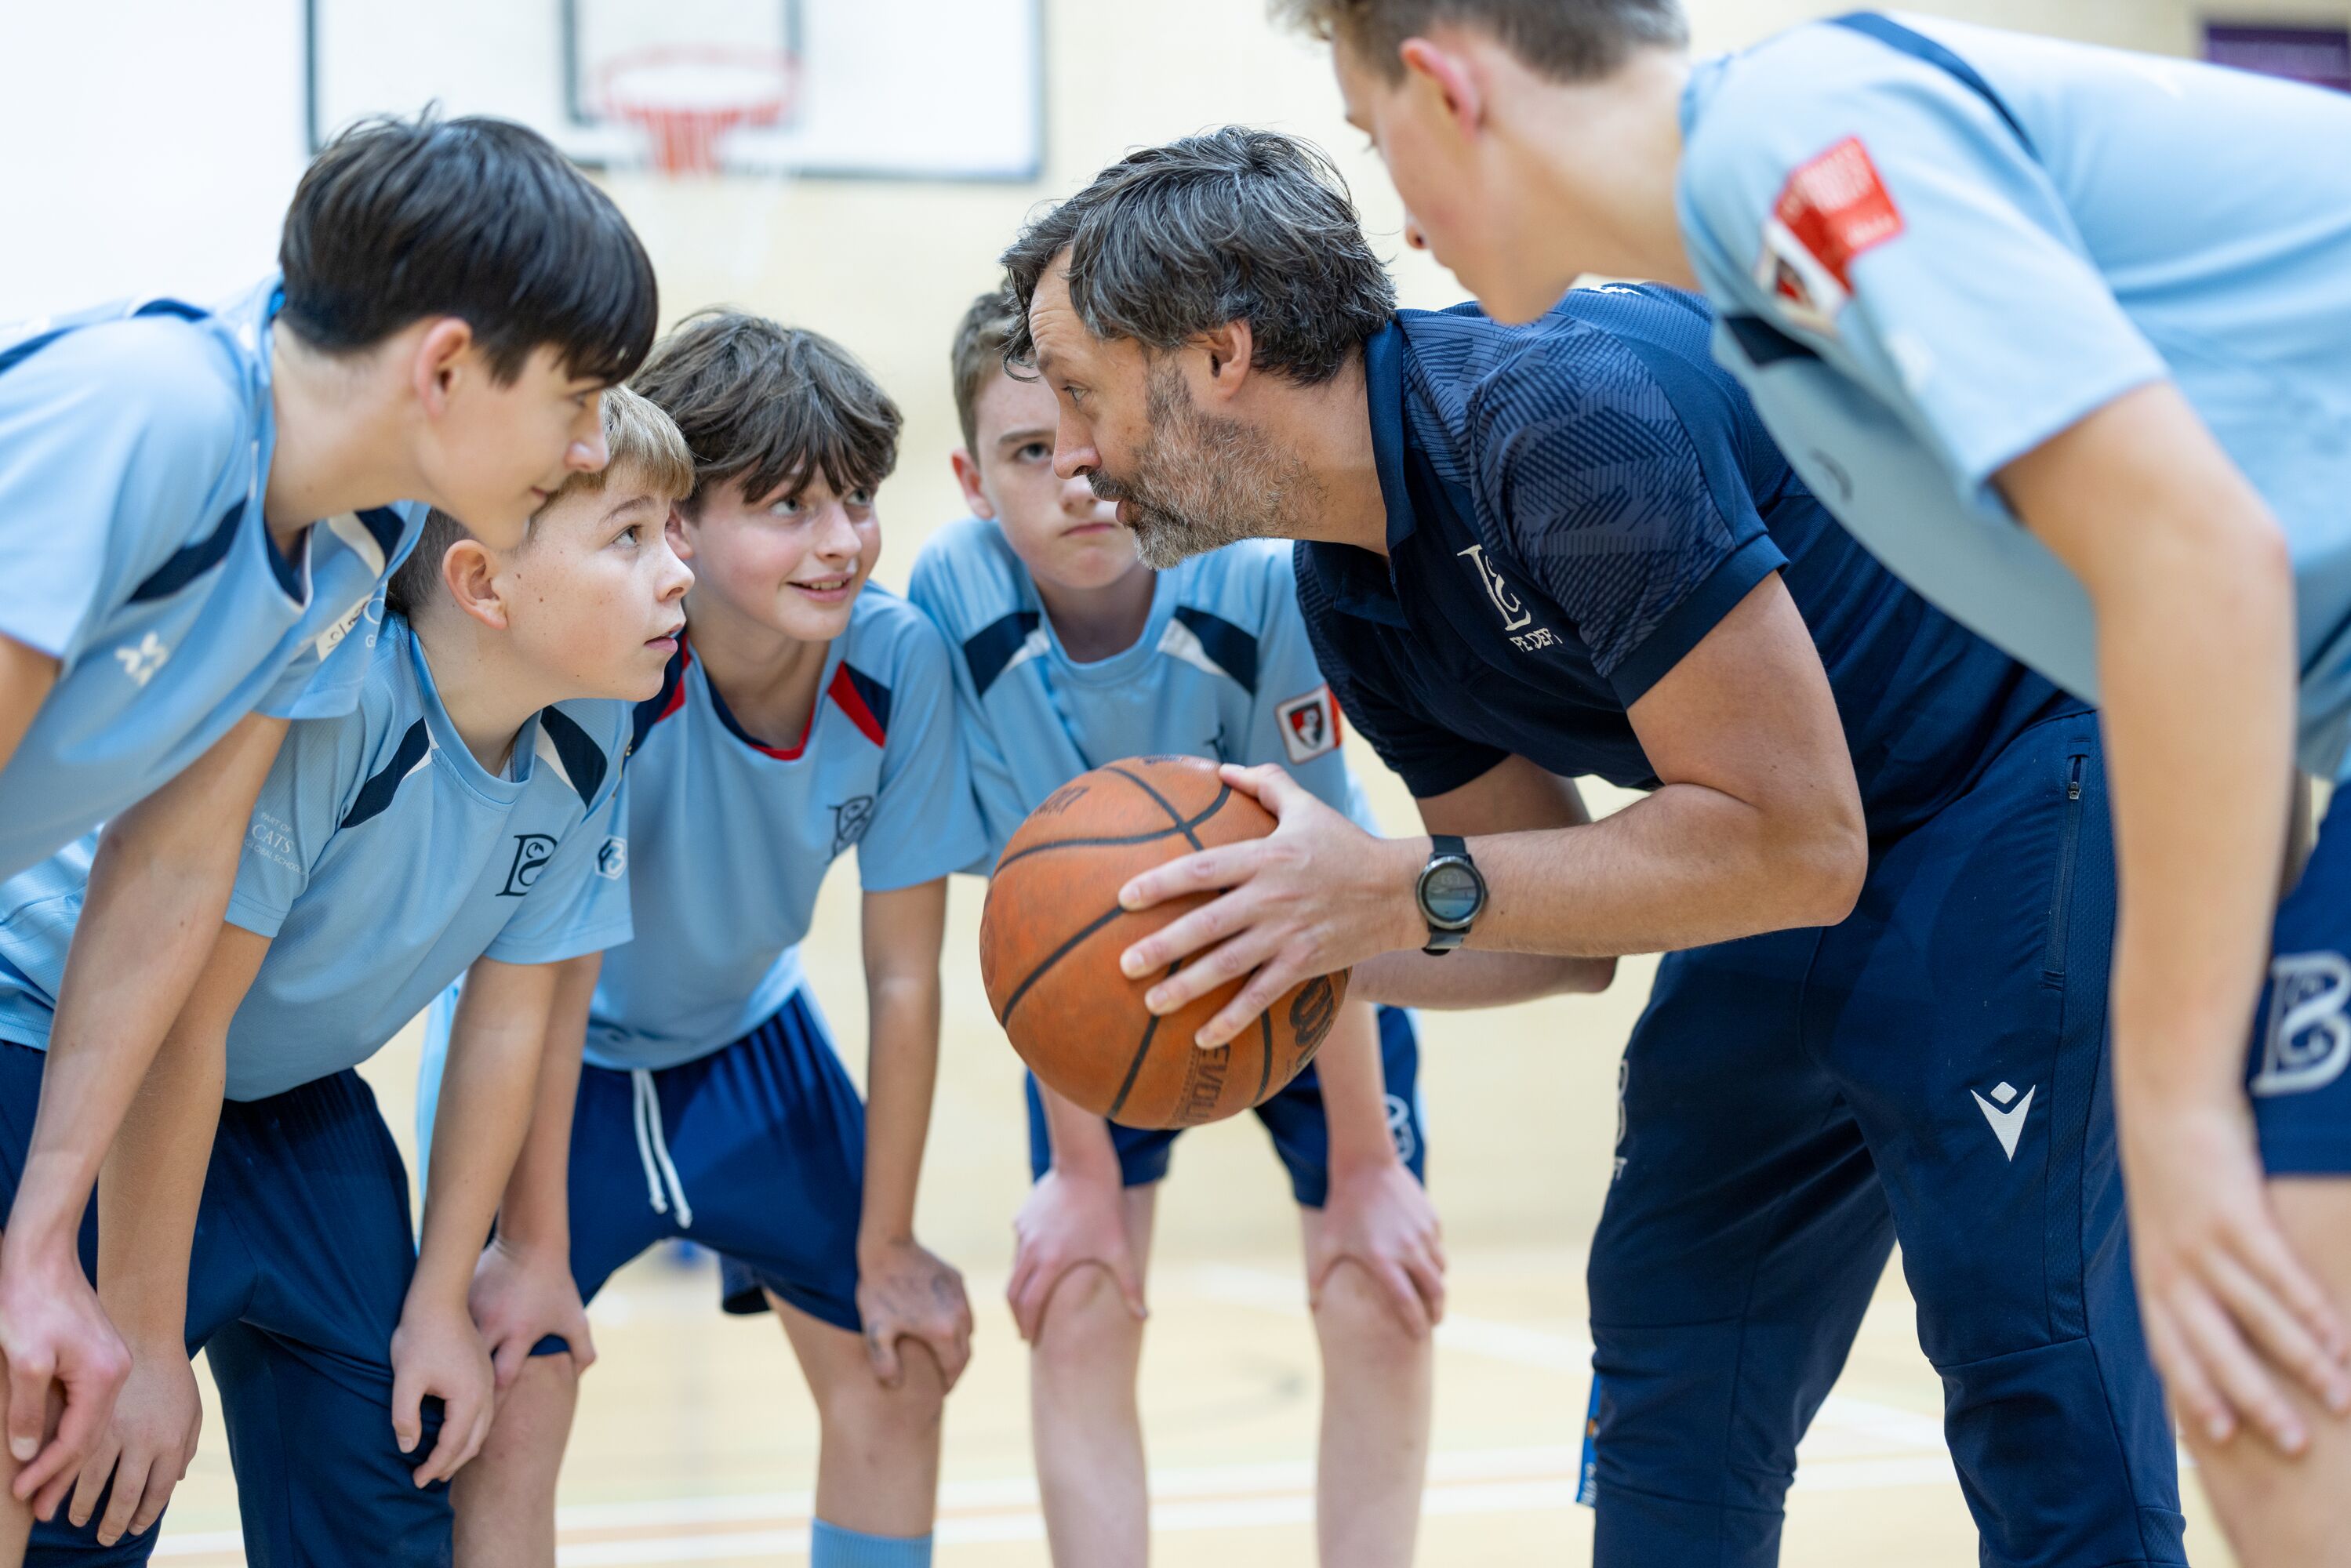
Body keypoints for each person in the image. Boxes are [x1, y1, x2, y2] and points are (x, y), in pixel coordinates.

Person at [997, 127, 2187, 1567]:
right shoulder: (1353, 595)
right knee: (1672, 1348)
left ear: (1218, 356)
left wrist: (1384, 889)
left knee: (2024, 1350)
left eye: (1077, 393)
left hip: (2012, 771)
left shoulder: (1552, 416)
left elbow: (1792, 842)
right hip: (1766, 842)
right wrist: (1280, 941)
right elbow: (1553, 942)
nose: (1071, 453)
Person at [1274, 2, 2351, 1558]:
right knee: (2272, 1396)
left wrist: (2175, 1119)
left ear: (1446, 90)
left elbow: (2194, 564)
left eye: (1381, 146)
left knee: (2258, 1354)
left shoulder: (1796, 145)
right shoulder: (1753, 290)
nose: (1396, 215)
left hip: (2055, 773)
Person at [0, 108, 655, 1529]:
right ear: (444, 367)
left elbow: (167, 871)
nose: (592, 442)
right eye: (577, 397)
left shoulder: (345, 552)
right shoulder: (153, 413)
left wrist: (45, 1241)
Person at [912, 287, 1527, 1567]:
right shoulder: (953, 601)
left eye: (1088, 443)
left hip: (1309, 959)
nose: (1074, 483)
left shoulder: (1254, 585)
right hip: (1099, 979)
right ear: (974, 481)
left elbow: (1339, 894)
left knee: (1377, 1291)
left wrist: (1365, 1168)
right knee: (1073, 1295)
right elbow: (1034, 938)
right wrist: (1079, 1182)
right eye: (1029, 455)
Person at [428, 311, 983, 1568]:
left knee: (896, 1366)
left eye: (855, 499)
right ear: (679, 522)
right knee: (517, 1387)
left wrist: (886, 1244)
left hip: (751, 1040)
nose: (839, 541)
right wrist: (535, 1252)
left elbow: (902, 974)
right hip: (549, 1057)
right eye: (786, 506)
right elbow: (546, 980)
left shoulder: (899, 665)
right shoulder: (612, 673)